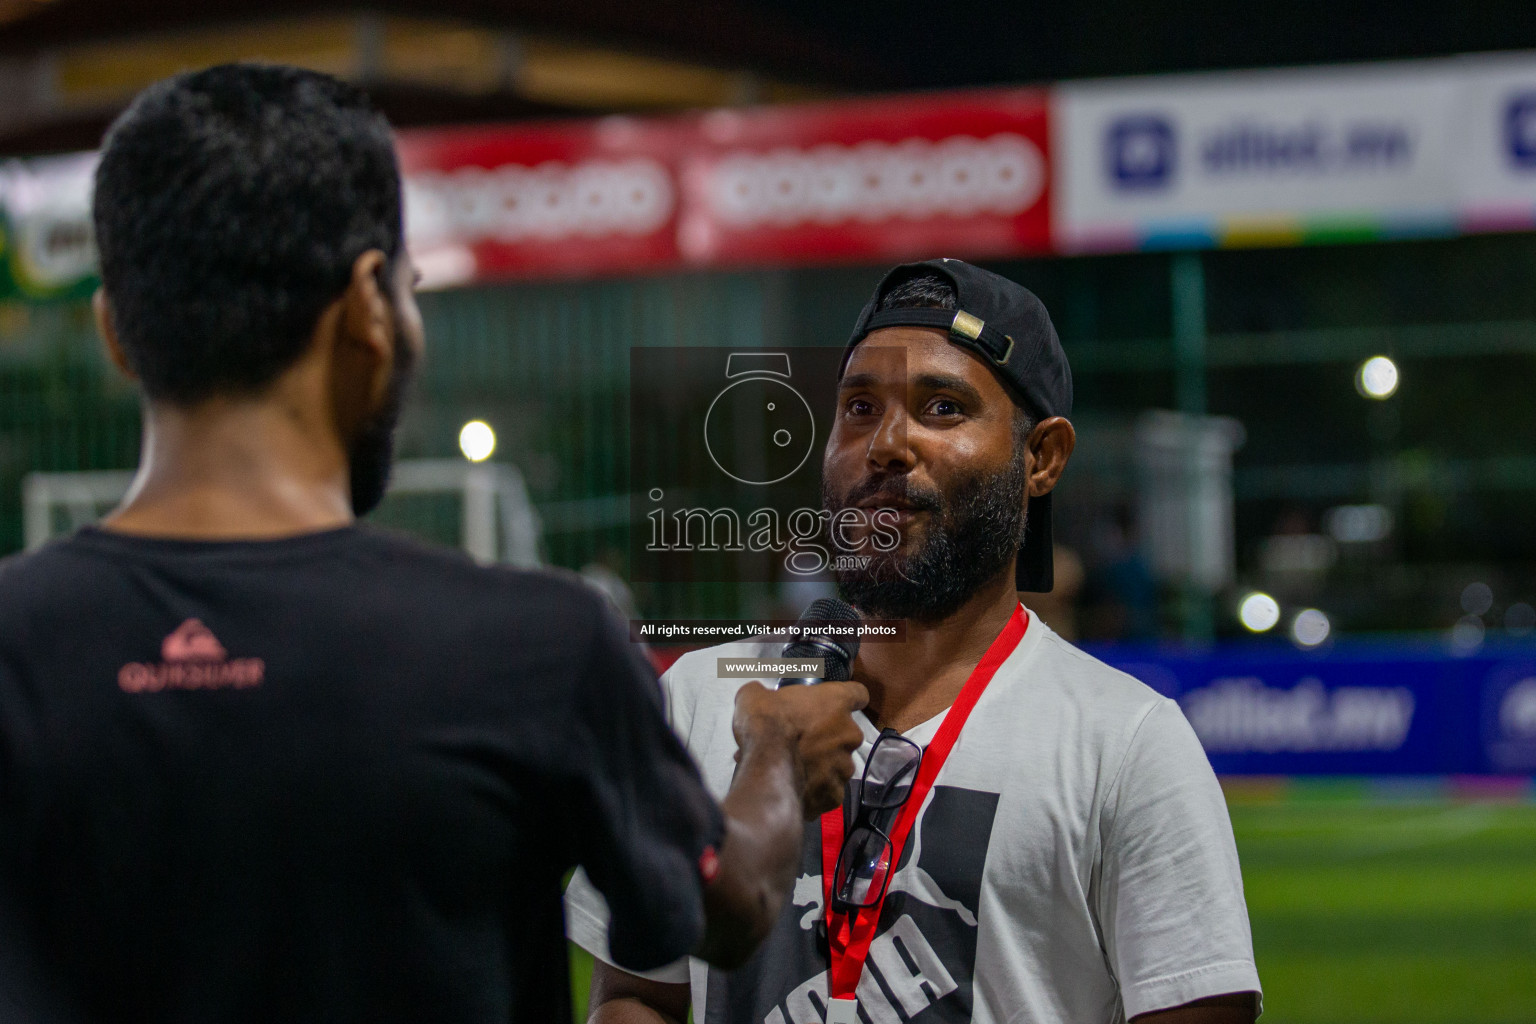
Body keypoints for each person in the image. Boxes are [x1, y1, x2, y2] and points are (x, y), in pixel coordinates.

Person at [0, 64, 867, 1024]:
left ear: (115, 329)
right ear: (372, 304)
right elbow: (733, 903)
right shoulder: (537, 644)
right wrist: (778, 755)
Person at [568, 259, 1262, 1024]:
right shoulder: (698, 699)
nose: (887, 444)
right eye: (859, 408)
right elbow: (639, 997)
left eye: (941, 407)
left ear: (1042, 457)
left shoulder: (1125, 744)